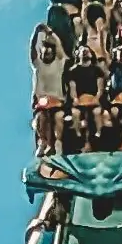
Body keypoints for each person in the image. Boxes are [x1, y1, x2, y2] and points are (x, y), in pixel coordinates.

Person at [30, 26, 69, 155]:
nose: (46, 51)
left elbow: (59, 48)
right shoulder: (38, 64)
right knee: (41, 118)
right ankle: (43, 142)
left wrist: (50, 33)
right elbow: (32, 51)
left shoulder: (58, 63)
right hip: (42, 102)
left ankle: (58, 143)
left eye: (49, 49)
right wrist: (37, 33)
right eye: (44, 49)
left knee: (58, 118)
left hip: (56, 100)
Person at [64, 44, 105, 154]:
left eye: (87, 51)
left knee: (97, 112)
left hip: (93, 100)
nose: (85, 53)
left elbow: (100, 88)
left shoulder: (97, 70)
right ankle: (79, 136)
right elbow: (72, 88)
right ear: (78, 55)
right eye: (82, 51)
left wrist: (97, 98)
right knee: (75, 113)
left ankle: (98, 135)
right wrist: (75, 99)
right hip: (80, 101)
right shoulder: (73, 71)